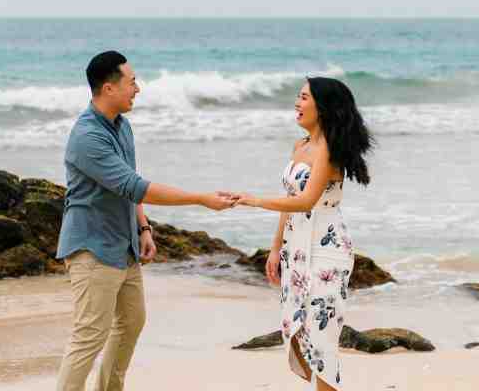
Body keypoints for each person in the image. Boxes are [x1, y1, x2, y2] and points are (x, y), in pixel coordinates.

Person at [55, 50, 237, 391]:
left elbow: (129, 183)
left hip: (124, 245)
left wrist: (143, 227)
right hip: (92, 249)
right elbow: (135, 185)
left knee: (132, 323)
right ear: (109, 88)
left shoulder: (122, 127)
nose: (137, 88)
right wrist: (200, 198)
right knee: (88, 337)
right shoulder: (87, 137)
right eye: (132, 81)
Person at [236, 77, 374, 390]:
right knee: (298, 332)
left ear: (322, 107)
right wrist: (275, 249)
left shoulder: (328, 149)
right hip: (295, 248)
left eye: (303, 98)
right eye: (297, 97)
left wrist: (255, 200)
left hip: (326, 249)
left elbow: (306, 200)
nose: (297, 104)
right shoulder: (300, 146)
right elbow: (290, 200)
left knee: (322, 342)